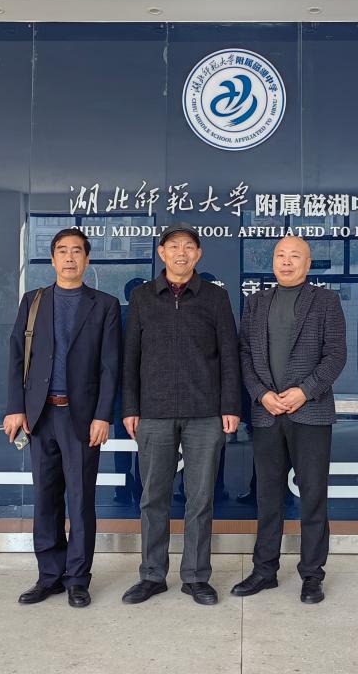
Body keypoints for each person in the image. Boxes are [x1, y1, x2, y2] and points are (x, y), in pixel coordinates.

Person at [120, 222, 241, 606]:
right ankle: (152, 575)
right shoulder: (142, 297)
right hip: (153, 413)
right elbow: (130, 357)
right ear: (161, 253)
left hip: (205, 413)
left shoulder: (215, 298)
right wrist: (130, 407)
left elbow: (229, 355)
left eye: (189, 246)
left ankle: (196, 577)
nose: (181, 253)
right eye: (173, 246)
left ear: (198, 254)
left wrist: (230, 406)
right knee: (153, 498)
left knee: (200, 499)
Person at [3, 227, 121, 608]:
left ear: (87, 259)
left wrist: (103, 415)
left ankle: (78, 579)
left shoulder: (104, 305)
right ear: (52, 259)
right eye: (62, 251)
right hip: (40, 416)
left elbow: (110, 367)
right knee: (45, 498)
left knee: (81, 500)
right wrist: (15, 407)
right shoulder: (33, 301)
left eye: (77, 252)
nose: (70, 258)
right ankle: (49, 575)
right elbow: (17, 356)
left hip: (82, 418)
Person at [232, 236, 347, 604]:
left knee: (312, 497)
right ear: (273, 262)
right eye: (280, 255)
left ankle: (312, 575)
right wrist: (261, 394)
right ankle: (264, 571)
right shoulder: (256, 302)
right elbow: (244, 355)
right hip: (267, 413)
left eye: (294, 256)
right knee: (268, 498)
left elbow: (336, 355)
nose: (286, 261)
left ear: (307, 264)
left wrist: (304, 391)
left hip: (310, 412)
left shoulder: (326, 301)